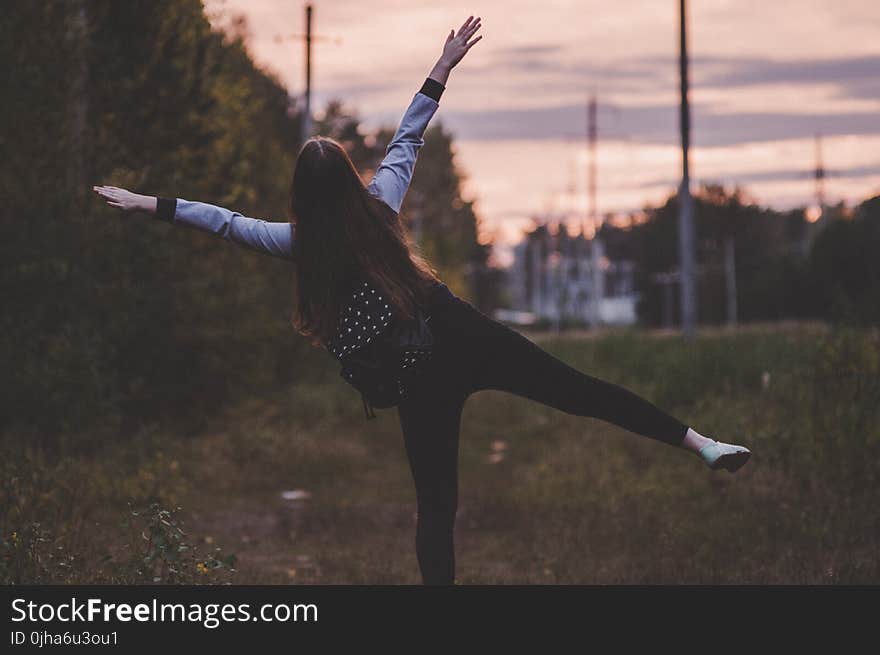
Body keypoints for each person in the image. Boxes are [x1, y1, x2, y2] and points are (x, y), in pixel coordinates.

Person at [94, 16, 750, 585]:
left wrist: (146, 203)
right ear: (350, 179)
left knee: (436, 506)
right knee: (579, 389)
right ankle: (700, 442)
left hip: (409, 378)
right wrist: (441, 65)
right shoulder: (379, 207)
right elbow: (408, 136)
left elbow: (222, 221)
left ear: (303, 192)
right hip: (456, 332)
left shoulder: (297, 244)